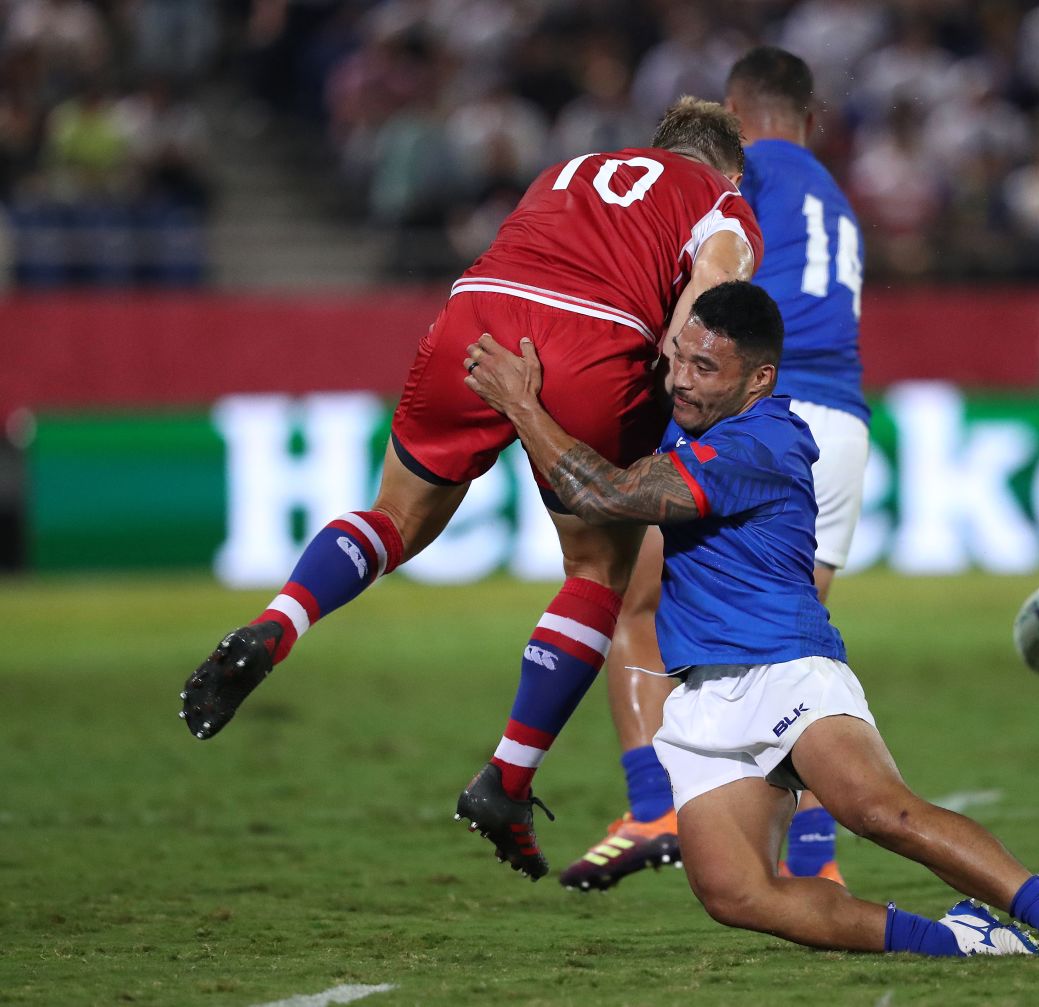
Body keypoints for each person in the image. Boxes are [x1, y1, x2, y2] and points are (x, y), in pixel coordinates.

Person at [179, 98, 765, 882]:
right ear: (729, 166)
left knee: (395, 515)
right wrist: (683, 376)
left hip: (475, 315)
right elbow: (716, 280)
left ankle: (277, 624)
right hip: (595, 337)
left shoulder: (570, 171)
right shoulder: (721, 200)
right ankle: (507, 779)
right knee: (597, 569)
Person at [463, 281, 1039, 958]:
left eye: (706, 368)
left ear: (759, 378)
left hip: (786, 667)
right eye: (680, 358)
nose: (683, 382)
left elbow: (602, 495)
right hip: (703, 691)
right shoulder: (698, 418)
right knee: (735, 893)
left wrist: (520, 404)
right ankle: (962, 941)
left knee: (877, 809)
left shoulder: (760, 442)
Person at [558, 47, 870, 893]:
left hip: (769, 414)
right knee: (796, 657)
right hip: (843, 424)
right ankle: (817, 862)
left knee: (632, 595)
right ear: (809, 118)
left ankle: (651, 806)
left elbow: (711, 270)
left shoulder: (748, 174)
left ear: (735, 112)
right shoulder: (834, 195)